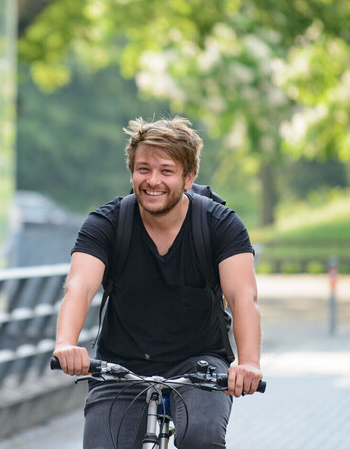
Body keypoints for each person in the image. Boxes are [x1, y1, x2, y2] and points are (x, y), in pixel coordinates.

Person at [53, 116, 262, 448]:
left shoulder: (220, 225)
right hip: (121, 363)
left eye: (166, 171)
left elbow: (243, 297)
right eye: (143, 169)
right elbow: (79, 285)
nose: (153, 181)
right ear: (132, 172)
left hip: (200, 363)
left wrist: (249, 363)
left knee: (202, 437)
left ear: (188, 177)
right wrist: (66, 342)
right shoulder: (107, 223)